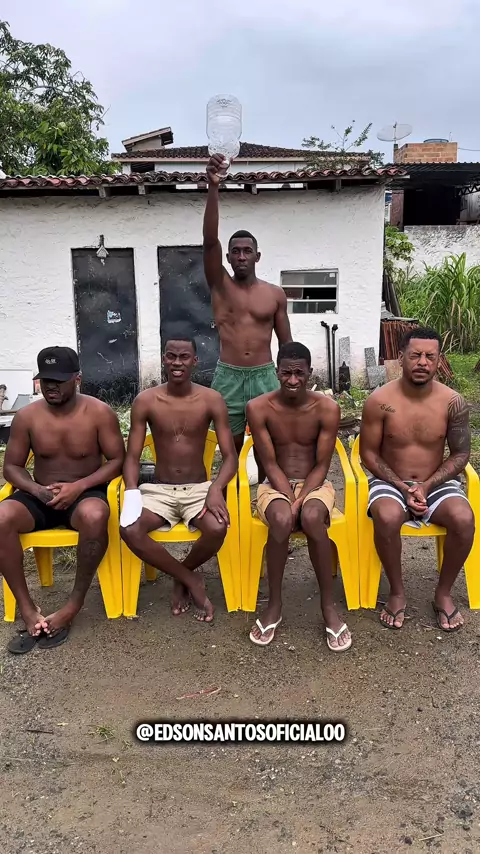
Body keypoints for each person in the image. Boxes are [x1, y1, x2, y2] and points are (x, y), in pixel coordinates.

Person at [0, 347, 125, 653]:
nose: (51, 386)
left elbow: (118, 460)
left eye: (59, 380)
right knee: (1, 517)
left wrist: (78, 486)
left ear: (77, 379)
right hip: (40, 495)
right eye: (46, 380)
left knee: (96, 515)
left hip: (85, 493)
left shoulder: (98, 413)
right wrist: (36, 490)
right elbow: (11, 466)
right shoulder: (27, 417)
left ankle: (73, 605)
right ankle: (27, 609)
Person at [360, 327, 474, 632]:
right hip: (390, 480)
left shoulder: (453, 402)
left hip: (435, 482)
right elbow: (368, 453)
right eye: (415, 355)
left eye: (430, 356)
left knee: (464, 519)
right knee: (387, 516)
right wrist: (402, 486)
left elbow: (461, 454)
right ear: (401, 358)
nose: (423, 362)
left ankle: (443, 593)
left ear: (439, 360)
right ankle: (397, 592)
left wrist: (425, 486)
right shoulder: (380, 400)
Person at [120, 337, 238, 623]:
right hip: (159, 490)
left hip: (199, 489)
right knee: (129, 529)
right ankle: (189, 578)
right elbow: (132, 457)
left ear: (195, 361)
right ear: (163, 359)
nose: (177, 362)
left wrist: (216, 488)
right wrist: (132, 493)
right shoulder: (146, 401)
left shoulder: (211, 399)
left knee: (217, 528)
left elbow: (231, 457)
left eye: (184, 357)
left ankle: (180, 576)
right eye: (171, 356)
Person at [246, 341, 351, 652]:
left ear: (310, 373)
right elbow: (269, 463)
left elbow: (322, 466)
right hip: (275, 483)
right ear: (276, 372)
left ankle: (328, 607)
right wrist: (289, 504)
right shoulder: (259, 408)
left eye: (299, 373)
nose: (293, 380)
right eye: (286, 373)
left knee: (312, 517)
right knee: (281, 519)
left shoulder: (327, 408)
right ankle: (274, 605)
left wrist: (300, 501)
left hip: (314, 483)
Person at [203, 153, 292, 472]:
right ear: (228, 257)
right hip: (228, 375)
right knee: (231, 446)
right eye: (235, 252)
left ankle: (270, 492)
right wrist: (213, 187)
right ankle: (232, 493)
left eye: (247, 251)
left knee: (272, 443)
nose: (241, 256)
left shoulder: (274, 294)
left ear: (257, 256)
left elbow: (287, 345)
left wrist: (291, 378)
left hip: (265, 374)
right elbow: (209, 241)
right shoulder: (220, 286)